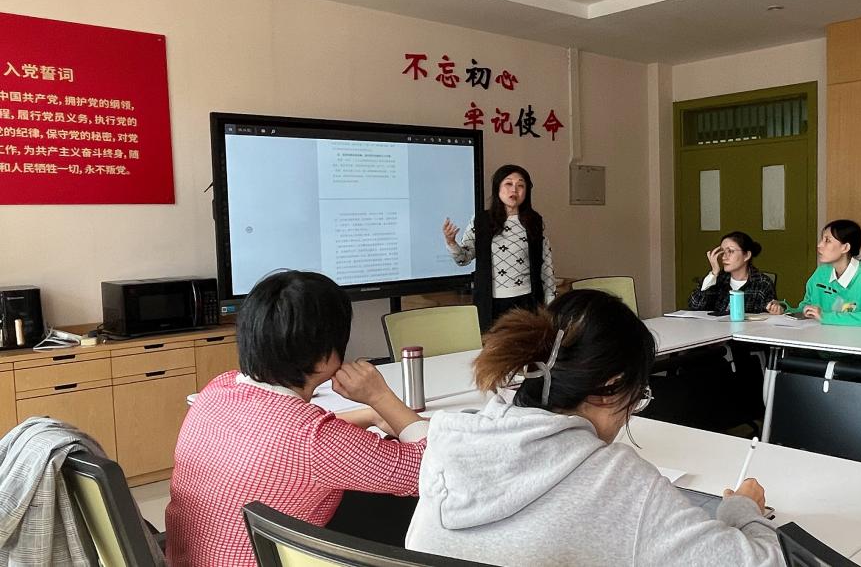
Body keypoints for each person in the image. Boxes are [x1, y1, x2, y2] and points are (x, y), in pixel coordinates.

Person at [406, 290, 783, 566]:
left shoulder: (450, 442)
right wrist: (741, 510)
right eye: (637, 397)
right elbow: (767, 563)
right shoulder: (618, 480)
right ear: (608, 388)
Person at [165, 270, 427, 567]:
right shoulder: (314, 440)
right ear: (325, 356)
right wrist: (380, 398)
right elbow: (436, 469)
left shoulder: (218, 389)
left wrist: (368, 416)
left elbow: (277, 444)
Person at [443, 164, 555, 328]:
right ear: (497, 188)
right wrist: (451, 242)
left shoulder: (534, 221)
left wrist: (551, 302)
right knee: (493, 343)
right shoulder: (481, 220)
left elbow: (546, 264)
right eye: (508, 184)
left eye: (520, 185)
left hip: (527, 301)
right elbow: (464, 259)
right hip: (491, 302)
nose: (514, 190)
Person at [767, 219, 861, 326]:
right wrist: (783, 309)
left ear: (845, 247)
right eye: (822, 239)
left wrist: (826, 317)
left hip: (855, 342)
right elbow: (806, 307)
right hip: (820, 338)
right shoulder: (821, 272)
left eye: (827, 240)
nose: (819, 245)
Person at [687, 231, 776, 314]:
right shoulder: (717, 279)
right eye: (723, 252)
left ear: (747, 255)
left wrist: (775, 309)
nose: (724, 257)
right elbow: (695, 306)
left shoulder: (762, 283)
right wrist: (713, 274)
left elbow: (770, 312)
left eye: (730, 251)